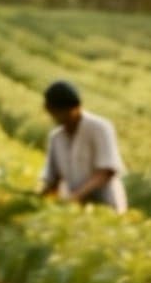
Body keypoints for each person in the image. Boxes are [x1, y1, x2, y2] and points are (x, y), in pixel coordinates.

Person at [40, 80, 127, 212]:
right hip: (76, 209)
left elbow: (106, 172)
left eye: (61, 112)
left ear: (76, 108)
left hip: (106, 206)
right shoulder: (56, 137)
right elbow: (53, 179)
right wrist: (38, 199)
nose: (56, 117)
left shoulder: (100, 128)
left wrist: (76, 196)